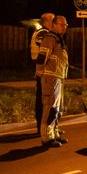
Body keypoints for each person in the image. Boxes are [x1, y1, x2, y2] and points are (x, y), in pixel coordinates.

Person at [36, 15, 69, 147]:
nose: (64, 27)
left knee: (57, 109)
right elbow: (42, 56)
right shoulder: (49, 38)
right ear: (54, 25)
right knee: (50, 107)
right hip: (51, 78)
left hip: (58, 77)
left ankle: (54, 134)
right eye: (61, 24)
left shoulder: (58, 39)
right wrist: (40, 73)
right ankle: (46, 137)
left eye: (65, 25)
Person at [30, 12, 55, 132]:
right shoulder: (43, 33)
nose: (54, 23)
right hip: (44, 71)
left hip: (45, 70)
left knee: (46, 98)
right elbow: (47, 51)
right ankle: (43, 126)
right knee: (44, 99)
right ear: (46, 22)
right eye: (53, 21)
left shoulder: (44, 33)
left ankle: (47, 126)